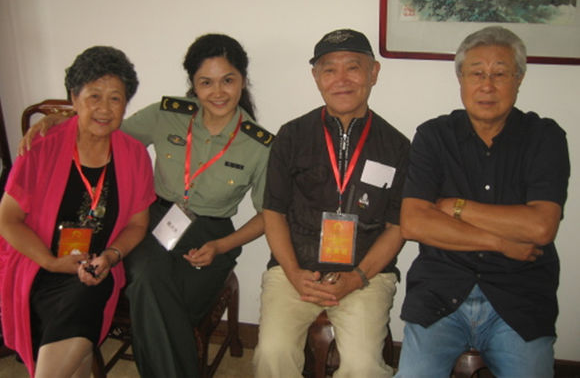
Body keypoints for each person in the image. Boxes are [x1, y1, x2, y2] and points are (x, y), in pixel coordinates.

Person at [20, 33, 273, 377]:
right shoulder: (167, 115)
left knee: (163, 301)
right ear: (193, 85)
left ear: (243, 80)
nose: (218, 92)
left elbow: (268, 215)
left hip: (212, 235)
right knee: (147, 280)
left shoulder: (259, 143)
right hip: (153, 222)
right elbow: (106, 128)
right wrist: (60, 120)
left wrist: (221, 246)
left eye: (228, 80)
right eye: (206, 82)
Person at [395, 26, 570, 377]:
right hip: (440, 294)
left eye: (500, 74)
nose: (487, 85)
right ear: (460, 78)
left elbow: (540, 227)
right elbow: (414, 223)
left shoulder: (545, 137)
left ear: (519, 79)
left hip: (519, 298)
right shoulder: (433, 136)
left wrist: (455, 207)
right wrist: (501, 242)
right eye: (476, 73)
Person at [253, 29, 409, 377]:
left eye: (353, 67)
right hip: (296, 268)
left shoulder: (396, 146)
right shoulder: (291, 135)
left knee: (363, 367)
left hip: (365, 273)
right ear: (316, 77)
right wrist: (293, 272)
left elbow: (397, 227)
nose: (341, 80)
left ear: (373, 73)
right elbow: (273, 212)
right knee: (272, 353)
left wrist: (357, 277)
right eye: (329, 70)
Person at [0, 46, 156, 377]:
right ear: (74, 97)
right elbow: (7, 219)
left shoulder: (134, 155)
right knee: (75, 349)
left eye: (115, 98)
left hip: (96, 269)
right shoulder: (42, 146)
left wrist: (111, 256)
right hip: (38, 266)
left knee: (87, 294)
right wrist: (50, 262)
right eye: (94, 96)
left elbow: (137, 223)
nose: (105, 108)